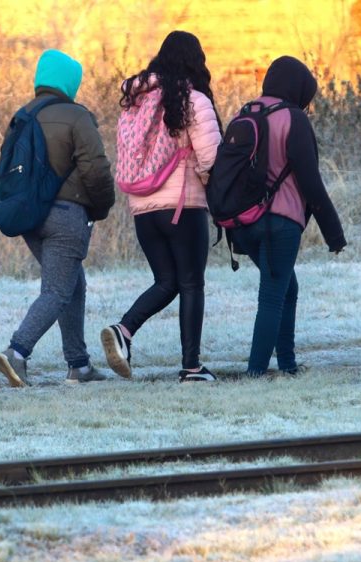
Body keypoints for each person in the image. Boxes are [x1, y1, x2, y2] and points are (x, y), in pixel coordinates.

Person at [100, 31, 222, 383]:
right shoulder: (192, 100)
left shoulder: (135, 101)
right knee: (191, 283)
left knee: (167, 280)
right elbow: (211, 159)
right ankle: (191, 367)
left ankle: (124, 329)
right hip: (183, 207)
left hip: (142, 209)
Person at [0, 49, 116, 387]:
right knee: (57, 291)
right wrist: (103, 207)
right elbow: (97, 170)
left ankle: (79, 365)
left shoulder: (22, 116)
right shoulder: (76, 116)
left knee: (73, 285)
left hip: (31, 219)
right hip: (66, 216)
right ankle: (17, 353)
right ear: (69, 81)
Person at [228, 56, 347, 377]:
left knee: (286, 287)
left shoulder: (246, 112)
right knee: (272, 294)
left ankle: (288, 363)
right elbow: (310, 182)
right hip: (279, 223)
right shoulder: (293, 119)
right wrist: (334, 235)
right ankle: (255, 373)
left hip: (243, 223)